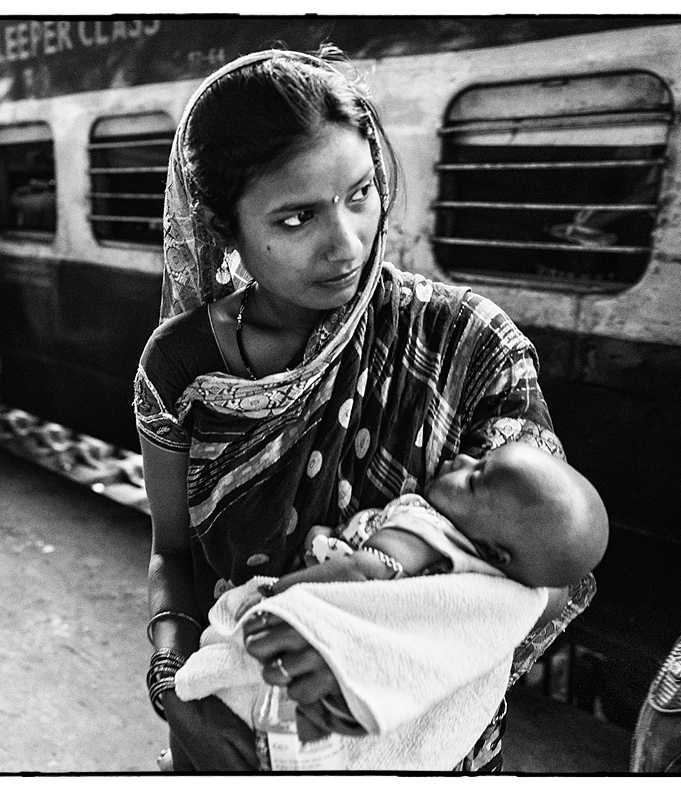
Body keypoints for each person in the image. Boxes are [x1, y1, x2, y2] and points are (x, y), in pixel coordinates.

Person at [134, 47, 605, 772]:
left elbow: (545, 579)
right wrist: (177, 690)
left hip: (418, 735)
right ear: (225, 228)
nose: (346, 244)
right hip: (232, 718)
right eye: (296, 218)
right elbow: (174, 555)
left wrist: (364, 652)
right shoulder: (180, 366)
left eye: (360, 193)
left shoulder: (469, 343)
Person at [290, 441, 610, 589]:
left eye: (474, 479)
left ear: (493, 550)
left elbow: (363, 572)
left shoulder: (431, 534)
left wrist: (272, 596)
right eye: (481, 457)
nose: (462, 460)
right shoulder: (478, 579)